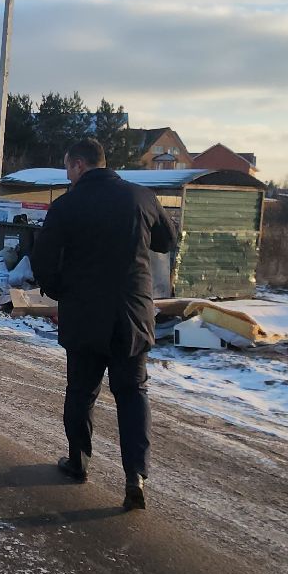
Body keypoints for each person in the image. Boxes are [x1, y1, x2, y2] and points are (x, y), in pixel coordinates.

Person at [29, 138, 178, 511]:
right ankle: (136, 476)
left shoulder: (66, 206)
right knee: (132, 394)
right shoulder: (141, 198)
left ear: (79, 165)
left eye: (67, 167)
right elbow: (167, 240)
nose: (67, 174)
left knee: (81, 391)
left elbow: (42, 264)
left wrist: (62, 291)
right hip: (132, 316)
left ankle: (78, 463)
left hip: (84, 318)